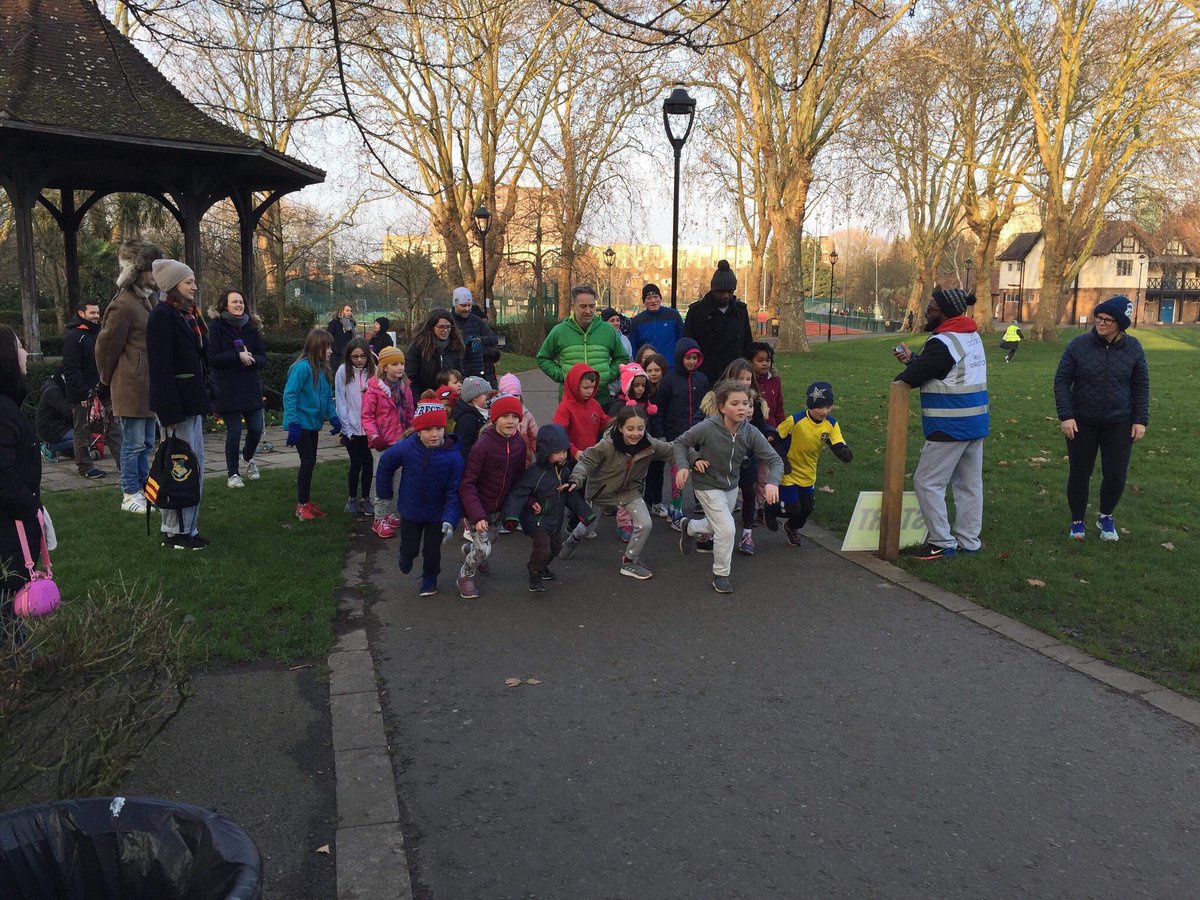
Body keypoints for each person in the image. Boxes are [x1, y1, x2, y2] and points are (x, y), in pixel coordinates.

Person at [893, 287, 988, 560]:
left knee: (927, 482)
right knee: (969, 485)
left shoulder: (943, 341)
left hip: (949, 423)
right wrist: (915, 360)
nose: (927, 311)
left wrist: (911, 367)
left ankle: (941, 541)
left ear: (945, 312)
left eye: (932, 307)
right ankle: (969, 541)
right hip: (975, 421)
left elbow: (913, 377)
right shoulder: (971, 335)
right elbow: (943, 367)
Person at [1054, 296, 1149, 541]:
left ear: (1121, 324)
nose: (1101, 323)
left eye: (1108, 320)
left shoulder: (1134, 348)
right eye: (1099, 318)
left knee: (1116, 474)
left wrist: (1140, 420)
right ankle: (1077, 521)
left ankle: (1106, 516)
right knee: (1079, 473)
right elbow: (1062, 381)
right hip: (1082, 421)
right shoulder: (1078, 345)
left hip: (1119, 421)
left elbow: (1141, 385)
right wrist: (1066, 416)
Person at [673, 379, 782, 594]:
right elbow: (680, 442)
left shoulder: (750, 432)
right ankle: (721, 574)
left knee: (716, 526)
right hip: (706, 484)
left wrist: (772, 482)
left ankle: (690, 527)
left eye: (746, 403)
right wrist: (685, 465)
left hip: (730, 485)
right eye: (735, 403)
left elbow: (775, 460)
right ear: (722, 407)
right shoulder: (707, 427)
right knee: (727, 528)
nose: (742, 408)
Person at [561, 405, 673, 580]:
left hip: (629, 491)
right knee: (588, 527)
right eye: (630, 428)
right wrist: (576, 479)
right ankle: (573, 539)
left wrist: (694, 459)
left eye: (640, 428)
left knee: (645, 524)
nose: (635, 433)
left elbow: (672, 450)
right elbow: (586, 462)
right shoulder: (606, 445)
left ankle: (629, 561)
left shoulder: (649, 444)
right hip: (602, 491)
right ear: (620, 428)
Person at [146, 259, 211, 550]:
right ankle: (178, 531)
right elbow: (160, 369)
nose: (194, 286)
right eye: (188, 282)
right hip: (177, 409)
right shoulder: (163, 316)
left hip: (190, 404)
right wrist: (168, 413)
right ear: (173, 286)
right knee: (180, 466)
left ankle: (186, 527)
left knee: (193, 463)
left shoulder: (187, 316)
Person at [96, 238, 161, 514]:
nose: (155, 275)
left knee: (146, 442)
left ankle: (145, 490)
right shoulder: (123, 304)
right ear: (138, 270)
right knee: (133, 444)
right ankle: (129, 493)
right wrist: (105, 380)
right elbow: (106, 346)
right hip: (130, 384)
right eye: (151, 269)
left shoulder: (147, 298)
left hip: (147, 385)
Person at [375, 400, 465, 597]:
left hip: (437, 514)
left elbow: (454, 492)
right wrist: (384, 492)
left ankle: (429, 579)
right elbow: (386, 463)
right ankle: (406, 557)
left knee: (432, 552)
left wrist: (450, 519)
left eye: (439, 428)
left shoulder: (454, 457)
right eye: (428, 430)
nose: (434, 434)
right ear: (418, 431)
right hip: (410, 510)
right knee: (410, 548)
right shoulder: (408, 448)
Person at [501, 424, 591, 592]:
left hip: (554, 520)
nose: (562, 456)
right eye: (557, 453)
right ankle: (534, 572)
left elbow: (570, 496)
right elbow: (518, 493)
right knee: (543, 546)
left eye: (564, 451)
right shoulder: (534, 473)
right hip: (536, 520)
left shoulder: (564, 472)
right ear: (545, 452)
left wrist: (586, 514)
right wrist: (511, 517)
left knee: (556, 548)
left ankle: (542, 566)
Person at [456, 394, 527, 599]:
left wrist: (526, 502)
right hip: (478, 507)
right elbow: (467, 482)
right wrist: (476, 515)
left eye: (515, 416)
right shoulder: (483, 446)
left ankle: (472, 549)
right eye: (505, 416)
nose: (511, 421)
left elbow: (520, 478)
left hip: (500, 507)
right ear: (495, 418)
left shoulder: (519, 444)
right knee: (484, 551)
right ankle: (465, 576)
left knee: (490, 541)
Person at [699, 358, 771, 555]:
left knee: (748, 492)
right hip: (720, 458)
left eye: (749, 379)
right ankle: (713, 530)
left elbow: (761, 429)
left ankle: (747, 532)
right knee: (720, 497)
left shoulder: (755, 402)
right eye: (741, 378)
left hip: (746, 457)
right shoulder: (715, 401)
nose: (745, 382)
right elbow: (701, 425)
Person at [770, 381, 853, 547]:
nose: (824, 411)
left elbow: (836, 442)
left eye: (828, 407)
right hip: (789, 472)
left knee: (807, 509)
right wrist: (783, 461)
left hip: (808, 472)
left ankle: (791, 527)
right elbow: (776, 440)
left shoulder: (831, 424)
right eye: (819, 407)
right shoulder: (795, 420)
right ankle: (770, 509)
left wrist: (843, 452)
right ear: (810, 405)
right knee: (793, 508)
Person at [0, 326, 41, 644]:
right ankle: (14, 670)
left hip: (13, 523)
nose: (25, 352)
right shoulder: (3, 410)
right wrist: (28, 505)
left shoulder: (8, 405)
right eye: (19, 346)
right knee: (6, 597)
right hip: (8, 526)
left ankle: (19, 658)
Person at [208, 290, 266, 489]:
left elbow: (263, 357)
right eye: (234, 302)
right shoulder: (216, 327)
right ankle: (232, 474)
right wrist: (236, 356)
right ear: (225, 305)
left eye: (241, 301)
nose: (239, 305)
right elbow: (212, 358)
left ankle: (247, 457)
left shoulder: (251, 327)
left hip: (249, 386)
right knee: (234, 430)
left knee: (256, 428)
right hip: (227, 387)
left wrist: (253, 360)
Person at [283, 328, 341, 522]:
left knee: (310, 462)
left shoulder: (322, 369)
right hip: (301, 424)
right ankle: (301, 506)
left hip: (313, 424)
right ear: (317, 347)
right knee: (307, 463)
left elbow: (326, 397)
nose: (331, 351)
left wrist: (333, 417)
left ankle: (306, 502)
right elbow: (290, 395)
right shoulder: (302, 368)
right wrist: (293, 424)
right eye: (327, 347)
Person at [61, 300, 121, 479]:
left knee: (114, 429)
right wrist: (85, 392)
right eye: (92, 313)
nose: (96, 316)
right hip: (83, 395)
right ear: (81, 313)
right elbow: (71, 368)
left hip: (101, 392)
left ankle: (125, 464)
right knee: (83, 431)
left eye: (97, 312)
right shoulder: (74, 336)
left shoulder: (96, 334)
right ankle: (85, 466)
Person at [536, 286, 628, 396]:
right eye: (583, 306)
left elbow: (622, 357)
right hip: (570, 401)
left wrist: (608, 375)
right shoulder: (559, 331)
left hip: (600, 400)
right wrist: (563, 376)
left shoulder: (607, 330)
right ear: (573, 306)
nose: (588, 311)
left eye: (591, 306)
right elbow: (543, 358)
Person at [654, 338, 710, 521]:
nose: (692, 362)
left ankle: (702, 502)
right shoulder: (669, 380)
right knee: (678, 472)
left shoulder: (701, 379)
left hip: (698, 434)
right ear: (680, 358)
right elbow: (660, 408)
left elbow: (707, 407)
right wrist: (661, 433)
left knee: (701, 469)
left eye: (695, 358)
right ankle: (675, 507)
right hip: (675, 435)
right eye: (688, 358)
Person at [363, 345, 413, 538]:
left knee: (399, 479)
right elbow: (366, 416)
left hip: (401, 440)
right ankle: (379, 518)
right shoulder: (374, 390)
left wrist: (413, 431)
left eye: (401, 363)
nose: (399, 368)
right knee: (383, 480)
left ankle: (389, 513)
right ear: (384, 367)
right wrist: (375, 437)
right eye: (394, 364)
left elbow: (409, 412)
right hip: (382, 442)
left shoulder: (404, 387)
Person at [683, 260, 753, 384]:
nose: (726, 296)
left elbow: (746, 344)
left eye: (730, 292)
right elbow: (688, 345)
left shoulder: (741, 312)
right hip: (705, 375)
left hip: (733, 376)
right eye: (721, 292)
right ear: (713, 290)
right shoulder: (697, 312)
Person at [334, 338, 376, 516]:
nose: (359, 360)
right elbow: (341, 400)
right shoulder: (343, 371)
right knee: (356, 462)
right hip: (351, 426)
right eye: (355, 357)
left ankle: (365, 498)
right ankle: (352, 497)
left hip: (369, 426)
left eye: (362, 356)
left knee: (368, 462)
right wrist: (346, 427)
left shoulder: (374, 371)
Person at [552, 363, 610, 461]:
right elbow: (558, 434)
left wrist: (620, 421)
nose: (590, 391)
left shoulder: (594, 404)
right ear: (575, 385)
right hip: (570, 458)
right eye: (586, 388)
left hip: (590, 456)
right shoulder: (565, 408)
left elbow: (605, 422)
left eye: (592, 387)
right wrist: (574, 452)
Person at [405, 308, 465, 399]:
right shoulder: (417, 348)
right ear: (431, 327)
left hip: (451, 400)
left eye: (449, 327)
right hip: (424, 399)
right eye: (441, 327)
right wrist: (419, 402)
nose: (445, 330)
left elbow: (460, 374)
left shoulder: (455, 347)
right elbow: (411, 378)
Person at [640, 352, 670, 517]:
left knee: (658, 470)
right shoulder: (642, 389)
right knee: (643, 470)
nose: (653, 373)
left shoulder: (667, 387)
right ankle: (645, 501)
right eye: (650, 370)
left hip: (661, 435)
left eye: (656, 370)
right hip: (645, 435)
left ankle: (656, 501)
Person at [629, 284, 684, 368]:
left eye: (655, 297)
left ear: (660, 298)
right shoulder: (637, 321)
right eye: (649, 298)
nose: (653, 301)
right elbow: (634, 347)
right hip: (649, 370)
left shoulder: (673, 315)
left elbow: (682, 340)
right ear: (644, 301)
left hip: (671, 368)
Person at [452, 287, 499, 383]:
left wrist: (480, 340)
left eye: (469, 305)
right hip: (461, 372)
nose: (467, 309)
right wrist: (462, 344)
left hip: (481, 372)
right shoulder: (450, 321)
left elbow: (493, 338)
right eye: (463, 305)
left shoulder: (476, 320)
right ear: (455, 304)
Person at [498, 372, 540, 464]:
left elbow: (535, 439)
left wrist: (541, 459)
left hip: (524, 463)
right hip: (502, 463)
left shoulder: (526, 415)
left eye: (516, 395)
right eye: (510, 395)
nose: (513, 398)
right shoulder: (497, 416)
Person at [35, 372, 75, 460]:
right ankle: (49, 447)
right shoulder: (52, 391)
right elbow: (66, 410)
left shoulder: (56, 387)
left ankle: (66, 450)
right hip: (50, 428)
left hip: (58, 425)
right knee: (80, 437)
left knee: (83, 437)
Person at [452, 376, 492, 460]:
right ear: (474, 399)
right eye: (486, 394)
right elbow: (464, 447)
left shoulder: (487, 411)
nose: (490, 397)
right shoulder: (467, 419)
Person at [748, 342, 785, 429]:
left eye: (768, 360)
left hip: (772, 428)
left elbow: (779, 408)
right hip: (753, 428)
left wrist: (782, 427)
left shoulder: (775, 380)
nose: (765, 364)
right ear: (750, 362)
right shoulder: (747, 382)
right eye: (760, 361)